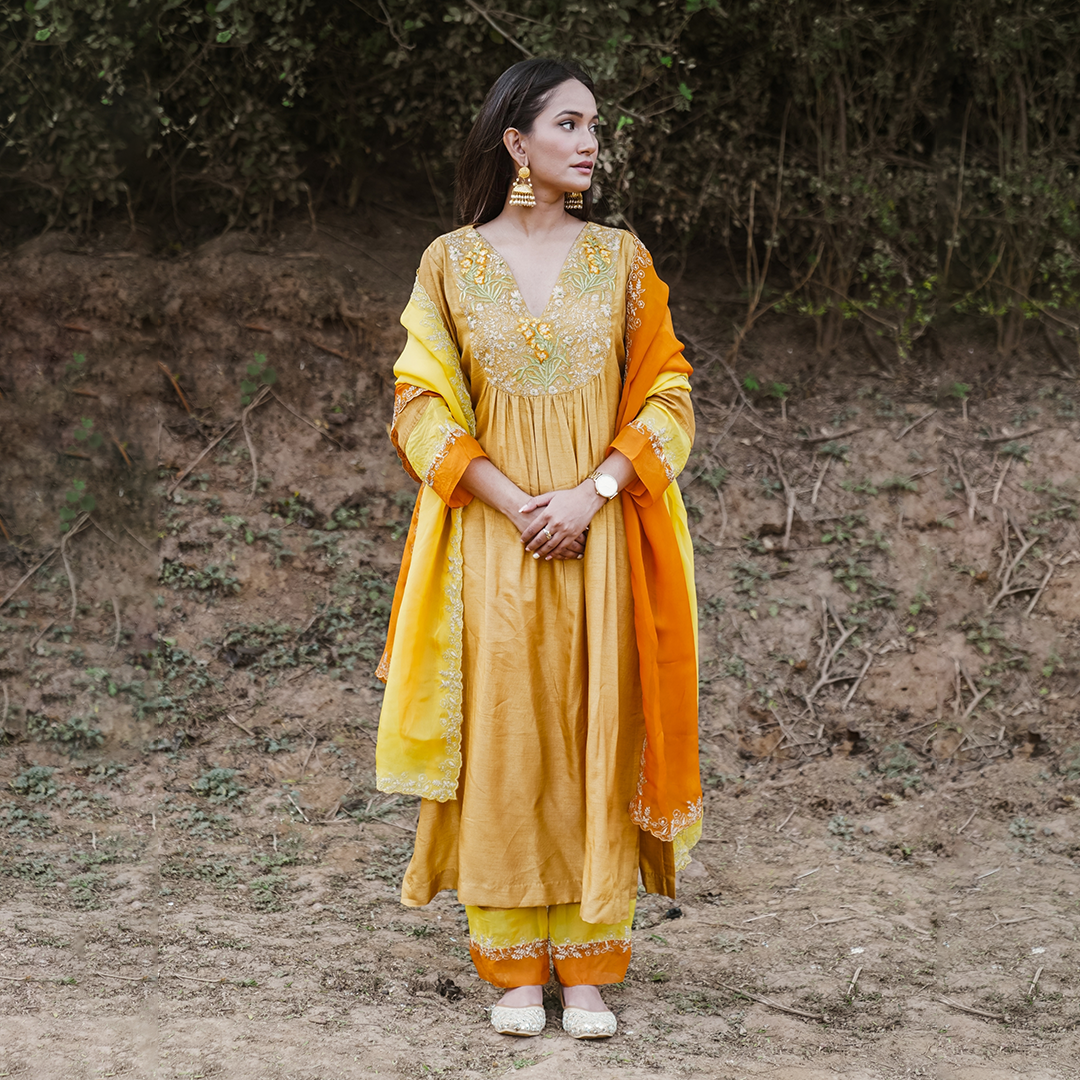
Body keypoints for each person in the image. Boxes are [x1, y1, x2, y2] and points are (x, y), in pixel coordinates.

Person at [374, 57, 701, 1040]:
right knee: (506, 738)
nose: (591, 141)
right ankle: (515, 962)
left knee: (601, 725)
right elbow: (419, 405)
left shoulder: (623, 259)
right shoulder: (450, 262)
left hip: (599, 539)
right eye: (569, 124)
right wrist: (520, 502)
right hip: (493, 542)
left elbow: (669, 396)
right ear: (517, 141)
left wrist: (593, 491)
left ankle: (591, 963)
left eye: (595, 124)